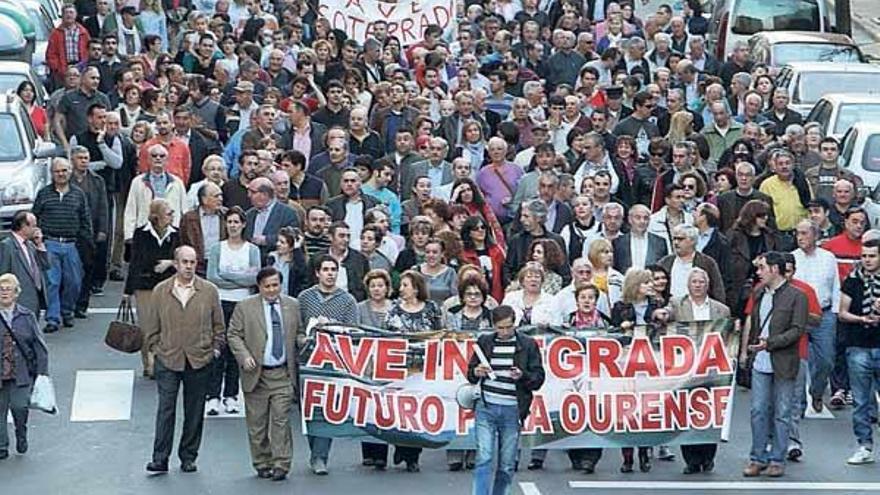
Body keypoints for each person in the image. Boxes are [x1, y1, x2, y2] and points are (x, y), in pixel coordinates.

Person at [144, 246, 225, 474]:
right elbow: (152, 326)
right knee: (166, 410)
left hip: (199, 360)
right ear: (176, 264)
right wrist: (155, 351)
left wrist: (214, 350)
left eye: (192, 262)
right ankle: (160, 458)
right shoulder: (161, 290)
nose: (189, 267)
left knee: (194, 411)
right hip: (168, 358)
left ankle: (188, 456)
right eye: (185, 262)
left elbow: (219, 326)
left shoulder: (208, 291)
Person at [227, 266, 302, 481]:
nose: (271, 290)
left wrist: (302, 341)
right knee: (257, 425)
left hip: (282, 374)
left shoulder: (292, 305)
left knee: (280, 421)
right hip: (257, 374)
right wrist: (244, 356)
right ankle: (262, 462)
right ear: (259, 287)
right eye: (267, 286)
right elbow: (233, 334)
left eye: (275, 285)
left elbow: (299, 331)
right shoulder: (245, 307)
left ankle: (281, 463)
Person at [742, 252, 808, 478]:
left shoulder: (797, 296)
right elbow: (753, 322)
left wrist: (770, 343)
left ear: (774, 269)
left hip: (784, 362)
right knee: (758, 410)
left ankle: (777, 459)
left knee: (782, 412)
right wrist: (748, 349)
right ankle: (757, 457)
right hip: (761, 361)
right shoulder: (759, 293)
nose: (758, 272)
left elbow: (798, 329)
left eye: (762, 268)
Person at [468, 304, 545, 495]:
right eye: (500, 327)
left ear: (515, 324)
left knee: (507, 463)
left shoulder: (527, 344)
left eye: (508, 327)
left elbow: (538, 378)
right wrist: (476, 372)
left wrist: (522, 375)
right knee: (483, 457)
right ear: (493, 326)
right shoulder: (485, 342)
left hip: (512, 409)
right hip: (486, 406)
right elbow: (470, 374)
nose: (504, 331)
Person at [298, 255, 359, 475]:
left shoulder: (347, 300)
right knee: (309, 410)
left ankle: (320, 457)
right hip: (308, 361)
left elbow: (354, 332)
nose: (330, 273)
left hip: (334, 363)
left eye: (334, 269)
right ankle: (315, 450)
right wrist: (303, 338)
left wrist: (334, 328)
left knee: (326, 410)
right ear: (317, 273)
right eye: (326, 269)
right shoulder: (305, 298)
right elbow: (297, 328)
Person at [667, 267, 731, 474]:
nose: (697, 285)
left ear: (707, 285)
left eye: (701, 282)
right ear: (688, 284)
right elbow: (667, 317)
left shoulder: (721, 309)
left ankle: (708, 457)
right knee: (687, 413)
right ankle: (692, 460)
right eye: (694, 281)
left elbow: (728, 337)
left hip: (712, 368)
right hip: (686, 368)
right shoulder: (677, 304)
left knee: (710, 414)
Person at [383, 270, 444, 471]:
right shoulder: (394, 311)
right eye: (401, 286)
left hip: (425, 368)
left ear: (416, 288)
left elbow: (441, 334)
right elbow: (386, 337)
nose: (401, 289)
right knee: (401, 410)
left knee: (418, 412)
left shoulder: (432, 308)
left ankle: (413, 455)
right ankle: (401, 445)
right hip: (401, 367)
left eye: (405, 285)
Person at [206, 207, 261, 415]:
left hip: (242, 305)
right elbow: (213, 277)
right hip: (220, 303)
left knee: (235, 351)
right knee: (218, 349)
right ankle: (213, 396)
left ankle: (231, 395)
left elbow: (253, 278)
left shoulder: (252, 250)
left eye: (237, 222)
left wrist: (227, 275)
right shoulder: (217, 249)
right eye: (229, 222)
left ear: (243, 224)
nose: (233, 226)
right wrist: (238, 278)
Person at [31, 158, 93, 333]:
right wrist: (37, 238)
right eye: (57, 171)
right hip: (49, 242)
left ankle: (67, 311)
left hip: (71, 243)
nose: (61, 174)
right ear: (52, 173)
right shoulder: (43, 194)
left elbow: (85, 219)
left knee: (74, 282)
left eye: (64, 170)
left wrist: (87, 243)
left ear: (70, 171)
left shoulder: (78, 194)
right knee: (52, 282)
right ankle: (53, 318)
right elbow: (34, 217)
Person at [123, 199, 180, 379]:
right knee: (148, 327)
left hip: (169, 286)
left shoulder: (176, 234)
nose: (172, 216)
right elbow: (135, 263)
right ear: (156, 216)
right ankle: (149, 363)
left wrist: (170, 263)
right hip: (145, 286)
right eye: (168, 213)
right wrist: (127, 291)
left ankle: (162, 361)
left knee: (167, 325)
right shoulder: (141, 234)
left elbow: (182, 256)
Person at [837, 239, 880, 465]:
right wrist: (862, 318)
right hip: (858, 345)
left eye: (872, 256)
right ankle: (864, 445)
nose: (867, 260)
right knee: (861, 401)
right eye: (864, 256)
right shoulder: (853, 280)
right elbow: (842, 312)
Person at [791, 219, 840, 413]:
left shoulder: (828, 258)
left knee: (827, 359)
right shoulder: (792, 257)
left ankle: (817, 391)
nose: (800, 237)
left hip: (824, 314)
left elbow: (836, 285)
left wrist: (836, 312)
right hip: (799, 316)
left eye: (804, 233)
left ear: (815, 235)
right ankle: (799, 402)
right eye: (797, 233)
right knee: (798, 361)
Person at [0, 273, 48, 460]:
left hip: (21, 372)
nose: (4, 293)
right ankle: (2, 446)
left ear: (16, 293)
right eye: (1, 290)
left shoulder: (27, 316)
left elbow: (39, 346)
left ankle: (21, 433)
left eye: (8, 289)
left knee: (20, 407)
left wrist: (42, 373)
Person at [0, 212, 48, 316]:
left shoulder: (30, 245)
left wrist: (40, 244)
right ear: (23, 226)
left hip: (34, 299)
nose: (36, 229)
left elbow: (45, 266)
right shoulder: (7, 245)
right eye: (33, 226)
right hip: (19, 301)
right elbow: (3, 275)